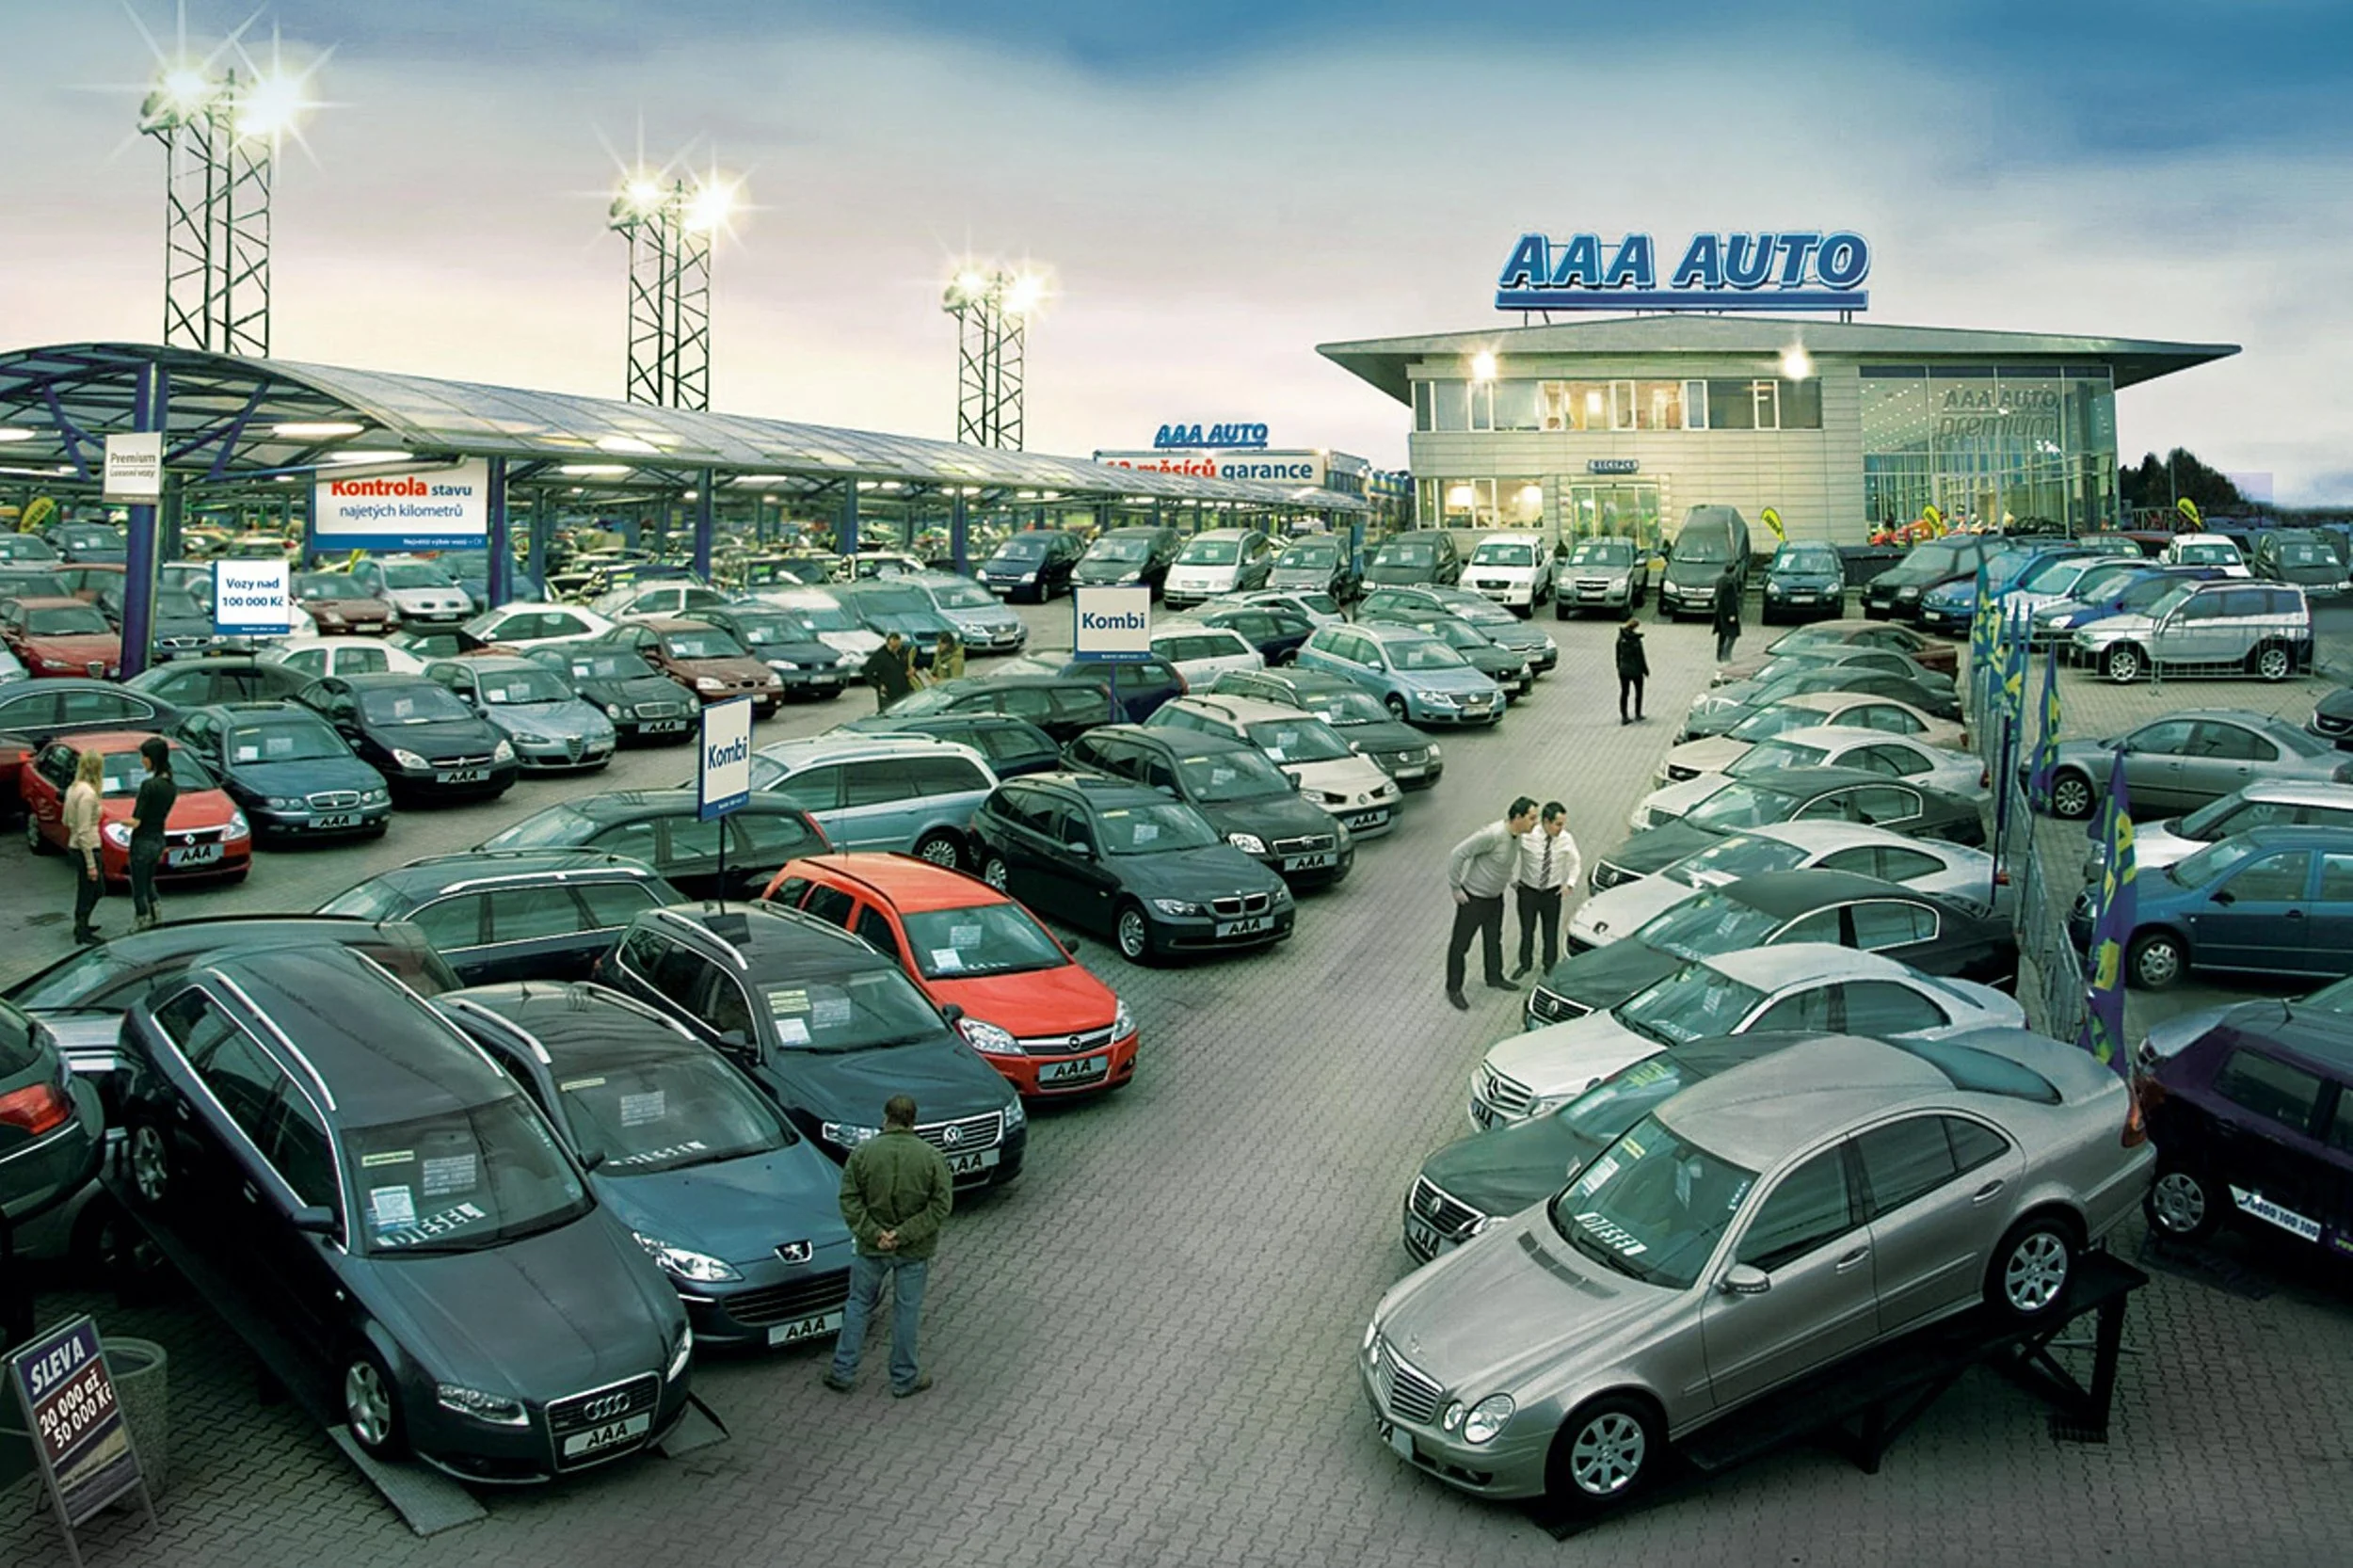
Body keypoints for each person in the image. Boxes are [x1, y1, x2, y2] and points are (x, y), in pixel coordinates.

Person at [825, 1095, 952, 1398]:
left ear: (886, 1117)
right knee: (906, 1312)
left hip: (871, 1249)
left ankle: (843, 1372)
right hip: (913, 1251)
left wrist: (875, 1233)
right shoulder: (932, 1157)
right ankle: (904, 1378)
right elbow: (940, 1205)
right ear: (914, 1120)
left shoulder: (863, 1153)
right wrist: (902, 1234)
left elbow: (850, 1199)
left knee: (858, 1305)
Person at [1444, 796, 1539, 1011]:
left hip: (1495, 898)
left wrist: (1511, 881)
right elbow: (1458, 854)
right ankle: (1454, 988)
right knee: (1461, 945)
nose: (1536, 823)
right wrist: (1456, 887)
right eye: (1532, 818)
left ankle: (1494, 976)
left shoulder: (1517, 836)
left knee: (1493, 939)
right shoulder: (1493, 835)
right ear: (1518, 817)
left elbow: (1502, 864)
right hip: (1474, 899)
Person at [1511, 802, 1579, 981]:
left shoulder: (1566, 839)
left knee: (1550, 931)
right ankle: (1525, 964)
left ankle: (1550, 964)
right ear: (1546, 822)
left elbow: (1575, 862)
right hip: (1528, 892)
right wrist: (1512, 880)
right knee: (1527, 930)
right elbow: (1508, 854)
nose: (1561, 828)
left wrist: (1569, 884)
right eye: (1558, 824)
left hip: (1552, 893)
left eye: (1563, 823)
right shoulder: (1528, 836)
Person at [125, 736, 176, 931]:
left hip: (142, 841)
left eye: (144, 757)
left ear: (152, 758)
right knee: (149, 880)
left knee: (138, 886)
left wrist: (118, 821)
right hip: (158, 840)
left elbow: (136, 821)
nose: (141, 761)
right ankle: (156, 915)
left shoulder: (149, 786)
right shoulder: (170, 785)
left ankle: (142, 919)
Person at [65, 748, 105, 944]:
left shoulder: (74, 788)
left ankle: (82, 923)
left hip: (76, 845)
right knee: (93, 889)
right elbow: (83, 831)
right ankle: (81, 929)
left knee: (89, 889)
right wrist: (91, 863)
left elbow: (66, 820)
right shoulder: (88, 795)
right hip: (86, 846)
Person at [862, 631, 916, 712]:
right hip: (888, 693)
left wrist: (912, 670)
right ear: (888, 644)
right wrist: (878, 685)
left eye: (898, 647)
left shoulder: (903, 652)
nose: (896, 650)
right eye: (893, 647)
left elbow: (910, 664)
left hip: (904, 690)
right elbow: (866, 671)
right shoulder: (879, 656)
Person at [1615, 616, 1648, 725]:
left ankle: (1624, 716)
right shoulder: (1636, 641)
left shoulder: (1620, 639)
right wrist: (1645, 669)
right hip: (1636, 670)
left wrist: (1619, 667)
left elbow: (1617, 654)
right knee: (1639, 692)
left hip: (1624, 670)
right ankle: (1638, 714)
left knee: (1624, 693)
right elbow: (1641, 657)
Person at [1711, 562, 1743, 663]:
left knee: (1722, 634)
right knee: (1732, 634)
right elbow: (1730, 600)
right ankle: (1725, 655)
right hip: (1728, 613)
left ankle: (1720, 655)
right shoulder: (1729, 582)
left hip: (1720, 612)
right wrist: (1732, 614)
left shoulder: (1719, 580)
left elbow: (1716, 596)